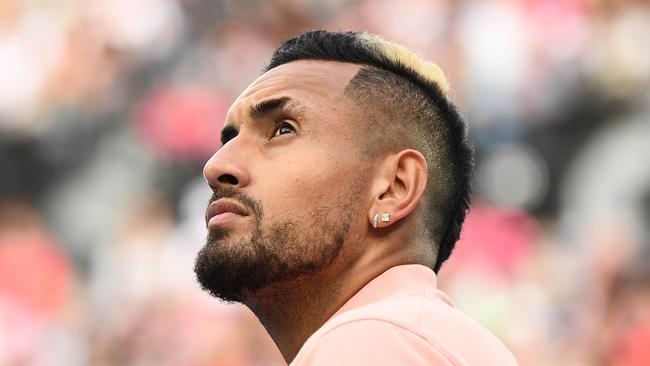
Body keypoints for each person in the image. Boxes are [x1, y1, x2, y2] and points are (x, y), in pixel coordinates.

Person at [195, 30, 518, 365]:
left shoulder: (372, 340)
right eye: (230, 138)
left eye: (283, 129)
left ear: (394, 188)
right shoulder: (420, 338)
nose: (216, 166)